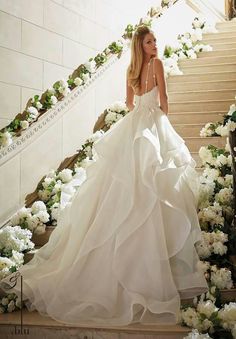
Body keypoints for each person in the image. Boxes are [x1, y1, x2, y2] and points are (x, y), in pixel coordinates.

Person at [0, 25, 208, 326]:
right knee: (154, 183)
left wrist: (141, 110)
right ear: (142, 45)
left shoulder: (130, 71)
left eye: (155, 41)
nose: (155, 45)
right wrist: (162, 120)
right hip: (153, 126)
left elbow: (127, 104)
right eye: (150, 42)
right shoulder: (158, 65)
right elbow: (164, 99)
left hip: (134, 125)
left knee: (130, 185)